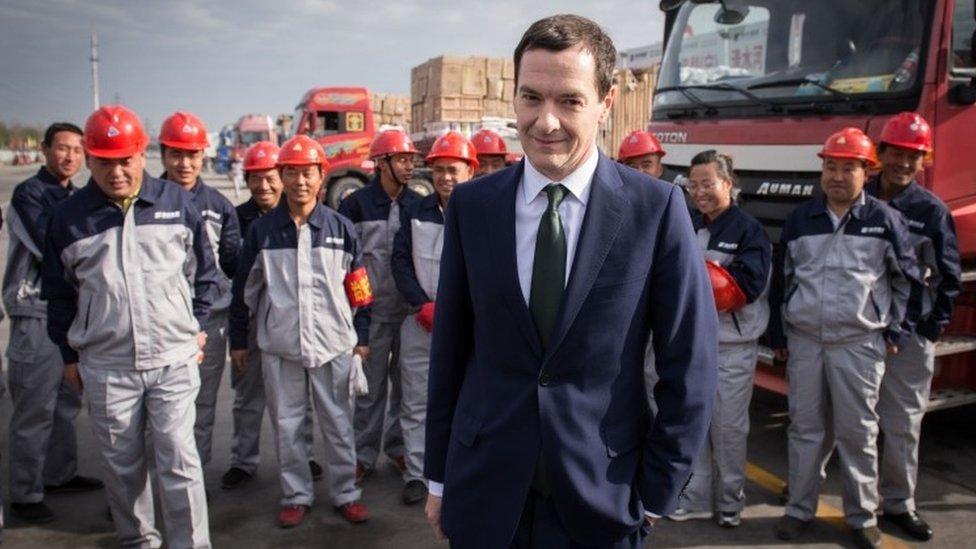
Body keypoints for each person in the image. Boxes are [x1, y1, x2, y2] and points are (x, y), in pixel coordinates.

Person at [423, 15, 718, 548]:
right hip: (485, 497)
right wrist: (440, 476)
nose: (546, 121)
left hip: (603, 501)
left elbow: (689, 365)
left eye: (570, 101)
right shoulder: (473, 206)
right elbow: (450, 351)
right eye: (531, 98)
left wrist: (656, 493)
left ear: (606, 103)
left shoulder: (656, 210)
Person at [42, 104, 217, 548]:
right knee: (123, 466)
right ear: (88, 158)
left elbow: (206, 274)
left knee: (179, 459)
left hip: (173, 359)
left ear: (142, 155)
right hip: (107, 364)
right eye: (104, 161)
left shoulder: (177, 203)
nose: (117, 172)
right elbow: (59, 295)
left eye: (126, 160)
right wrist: (68, 356)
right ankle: (139, 541)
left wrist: (195, 327)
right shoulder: (69, 218)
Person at [770, 127, 919, 549]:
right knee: (805, 430)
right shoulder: (802, 219)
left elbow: (907, 280)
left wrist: (897, 330)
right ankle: (799, 510)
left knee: (858, 433)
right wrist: (779, 334)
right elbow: (784, 279)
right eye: (830, 167)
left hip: (859, 344)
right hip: (805, 342)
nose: (837, 176)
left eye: (848, 168)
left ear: (867, 172)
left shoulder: (884, 221)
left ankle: (862, 517)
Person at [229, 135, 371, 528]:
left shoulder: (341, 228)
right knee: (289, 426)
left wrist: (362, 339)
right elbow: (245, 291)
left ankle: (346, 493)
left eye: (308, 172)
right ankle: (296, 494)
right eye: (291, 172)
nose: (300, 181)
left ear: (321, 176)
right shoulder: (262, 232)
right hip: (281, 347)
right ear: (282, 176)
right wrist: (239, 341)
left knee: (339, 425)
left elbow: (360, 291)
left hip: (334, 346)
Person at [3, 122, 104, 524]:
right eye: (62, 148)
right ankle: (25, 494)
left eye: (78, 151)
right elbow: (54, 247)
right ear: (45, 149)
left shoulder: (72, 196)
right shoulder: (31, 194)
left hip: (67, 312)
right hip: (35, 311)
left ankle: (59, 474)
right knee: (33, 406)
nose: (69, 157)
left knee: (66, 401)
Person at [867, 112, 961, 542]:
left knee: (902, 423)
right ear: (881, 154)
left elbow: (948, 277)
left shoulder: (931, 211)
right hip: (858, 332)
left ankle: (899, 504)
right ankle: (835, 494)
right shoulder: (857, 196)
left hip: (907, 336)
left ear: (923, 161)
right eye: (897, 154)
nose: (904, 164)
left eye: (914, 156)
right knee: (842, 417)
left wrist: (928, 330)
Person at [669, 151, 770, 527]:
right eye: (693, 185)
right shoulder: (688, 223)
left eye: (708, 183)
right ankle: (692, 497)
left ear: (728, 184)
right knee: (691, 423)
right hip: (690, 345)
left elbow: (746, 287)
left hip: (731, 348)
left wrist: (691, 284)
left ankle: (730, 502)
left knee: (727, 428)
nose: (700, 192)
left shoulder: (749, 232)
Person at [220, 141, 322, 490]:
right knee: (248, 395)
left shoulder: (303, 214)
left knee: (297, 398)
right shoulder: (238, 218)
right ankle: (243, 461)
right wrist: (237, 340)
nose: (263, 187)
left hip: (291, 323)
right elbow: (235, 274)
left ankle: (304, 455)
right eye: (255, 179)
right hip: (251, 322)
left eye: (269, 179)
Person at [391, 131, 478, 506]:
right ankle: (416, 473)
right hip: (421, 322)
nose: (445, 177)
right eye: (439, 170)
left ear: (470, 171)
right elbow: (400, 261)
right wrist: (419, 303)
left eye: (453, 170)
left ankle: (460, 468)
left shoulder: (484, 212)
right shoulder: (415, 212)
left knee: (467, 396)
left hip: (470, 327)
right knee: (415, 400)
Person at [159, 111, 242, 477]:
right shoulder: (148, 200)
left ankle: (194, 478)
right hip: (158, 321)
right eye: (176, 154)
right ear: (162, 155)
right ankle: (151, 482)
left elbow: (231, 262)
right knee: (154, 413)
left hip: (209, 319)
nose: (185, 163)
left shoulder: (219, 206)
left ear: (203, 155)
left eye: (192, 154)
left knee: (201, 404)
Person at [339, 128, 421, 482]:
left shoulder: (417, 204)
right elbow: (347, 262)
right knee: (369, 390)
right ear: (381, 163)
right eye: (402, 159)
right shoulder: (355, 204)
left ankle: (398, 448)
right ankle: (363, 454)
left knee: (406, 387)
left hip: (409, 312)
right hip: (370, 314)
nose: (408, 166)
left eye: (410, 160)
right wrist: (355, 311)